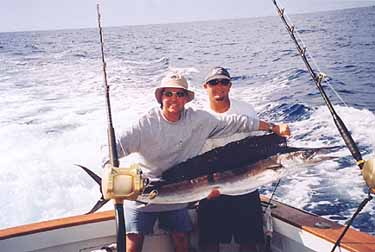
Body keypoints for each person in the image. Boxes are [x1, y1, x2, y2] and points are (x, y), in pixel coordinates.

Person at [106, 71, 289, 252]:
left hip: (178, 189)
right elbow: (111, 149)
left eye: (180, 94)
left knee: (181, 238)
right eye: (168, 94)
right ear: (161, 97)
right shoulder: (144, 124)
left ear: (186, 98)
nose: (174, 99)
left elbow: (235, 122)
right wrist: (108, 172)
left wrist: (273, 127)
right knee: (133, 242)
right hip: (143, 189)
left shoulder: (198, 120)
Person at [198, 66, 291, 252]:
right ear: (205, 87)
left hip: (246, 187)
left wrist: (279, 133)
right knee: (210, 242)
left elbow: (258, 145)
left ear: (230, 86)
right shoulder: (198, 116)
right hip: (211, 188)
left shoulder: (246, 109)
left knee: (249, 242)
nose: (219, 86)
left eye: (224, 82)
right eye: (213, 82)